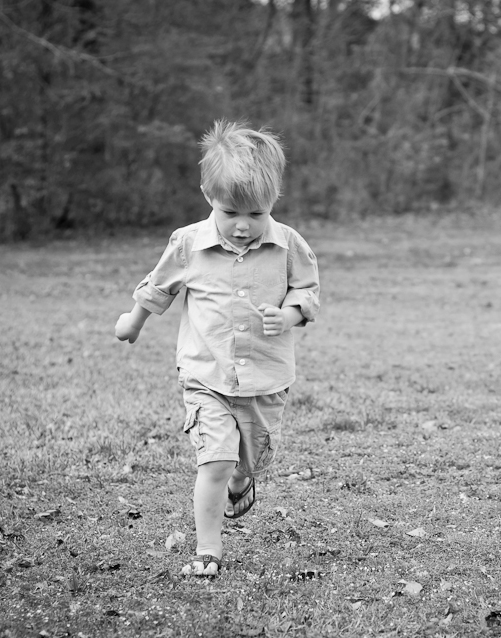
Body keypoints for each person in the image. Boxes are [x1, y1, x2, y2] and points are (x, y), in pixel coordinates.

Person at [114, 120, 320, 577]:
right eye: (230, 213)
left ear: (274, 200)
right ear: (208, 195)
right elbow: (159, 287)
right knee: (216, 461)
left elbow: (307, 291)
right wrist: (133, 321)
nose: (243, 226)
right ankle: (208, 549)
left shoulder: (289, 244)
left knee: (252, 461)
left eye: (256, 214)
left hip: (266, 378)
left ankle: (244, 480)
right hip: (206, 375)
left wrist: (288, 315)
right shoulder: (188, 244)